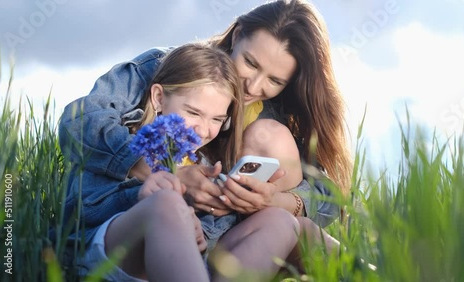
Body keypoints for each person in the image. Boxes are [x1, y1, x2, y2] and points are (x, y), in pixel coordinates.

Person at [60, 0, 352, 276]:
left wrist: (278, 201)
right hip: (125, 228)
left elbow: (326, 194)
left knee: (287, 221)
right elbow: (80, 121)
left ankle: (383, 272)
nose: (253, 85)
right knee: (168, 207)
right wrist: (163, 170)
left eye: (275, 81)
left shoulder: (270, 114)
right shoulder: (167, 69)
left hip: (215, 239)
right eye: (250, 62)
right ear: (237, 36)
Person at [59, 43, 299, 281]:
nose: (203, 129)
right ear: (159, 97)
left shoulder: (204, 163)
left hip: (189, 264)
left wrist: (229, 205)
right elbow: (87, 209)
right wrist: (150, 194)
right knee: (166, 202)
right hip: (111, 249)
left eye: (217, 119)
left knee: (282, 220)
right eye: (193, 113)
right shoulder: (127, 138)